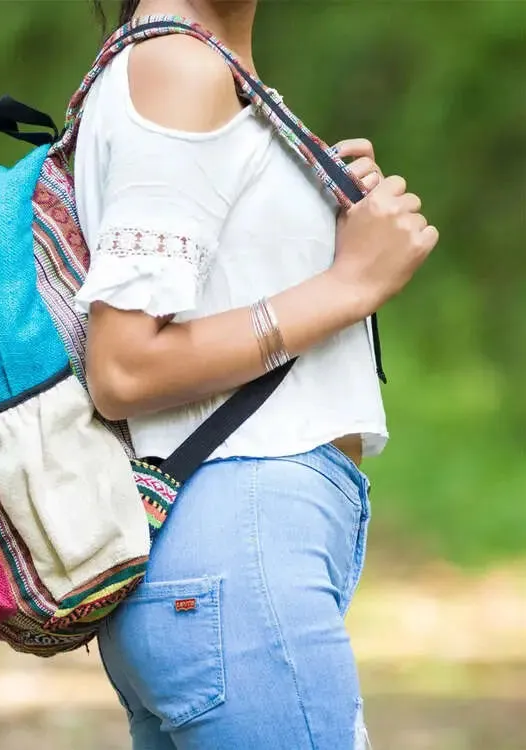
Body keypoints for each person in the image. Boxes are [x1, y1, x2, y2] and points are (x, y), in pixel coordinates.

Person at [75, 1, 438, 748]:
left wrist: (327, 229)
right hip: (238, 558)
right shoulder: (179, 67)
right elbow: (124, 362)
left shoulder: (185, 66)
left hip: (216, 565)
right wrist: (350, 284)